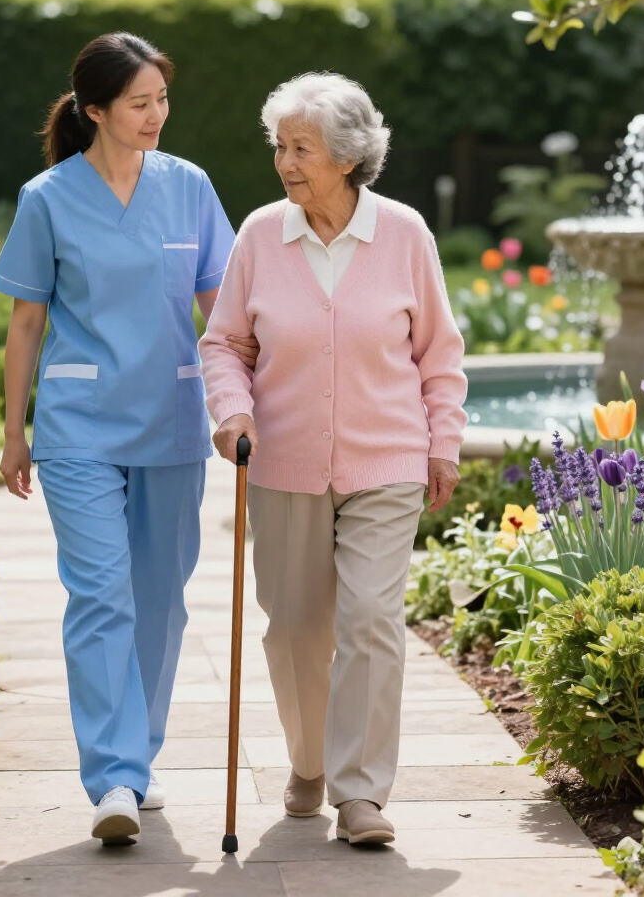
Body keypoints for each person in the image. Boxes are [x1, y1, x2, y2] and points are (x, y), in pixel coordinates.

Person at [0, 32, 256, 845]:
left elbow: (225, 312)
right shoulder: (48, 198)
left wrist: (245, 403)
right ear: (95, 109)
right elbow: (27, 319)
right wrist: (13, 434)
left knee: (160, 602)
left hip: (172, 422)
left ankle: (136, 760)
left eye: (162, 100)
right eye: (140, 103)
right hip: (77, 427)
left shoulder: (190, 189)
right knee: (100, 592)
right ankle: (112, 777)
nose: (156, 116)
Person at [199, 72, 467, 847]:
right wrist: (233, 410)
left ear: (348, 157)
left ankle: (359, 794)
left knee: (373, 619)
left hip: (386, 459)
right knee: (293, 630)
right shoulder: (260, 236)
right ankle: (309, 762)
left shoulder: (405, 234)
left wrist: (441, 442)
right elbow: (225, 342)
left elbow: (439, 355)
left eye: (302, 148)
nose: (286, 162)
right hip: (281, 459)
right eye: (280, 146)